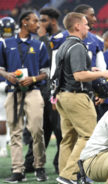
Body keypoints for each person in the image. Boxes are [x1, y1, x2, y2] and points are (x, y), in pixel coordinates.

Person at [54, 12, 108, 184]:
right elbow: (79, 75)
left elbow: (70, 72)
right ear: (77, 26)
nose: (88, 27)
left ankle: (64, 179)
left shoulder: (64, 45)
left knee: (68, 138)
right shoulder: (78, 46)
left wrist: (90, 69)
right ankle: (69, 176)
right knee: (88, 136)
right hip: (76, 96)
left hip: (63, 95)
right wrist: (101, 73)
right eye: (86, 24)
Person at [0, 11, 49, 182]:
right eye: (35, 21)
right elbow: (0, 68)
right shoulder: (6, 44)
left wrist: (33, 78)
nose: (38, 24)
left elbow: (46, 73)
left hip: (33, 90)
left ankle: (39, 166)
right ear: (24, 23)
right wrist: (7, 76)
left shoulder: (39, 45)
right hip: (13, 91)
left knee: (37, 130)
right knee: (15, 132)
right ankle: (17, 170)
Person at [24, 7, 63, 174]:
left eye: (43, 20)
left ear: (53, 21)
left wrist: (41, 38)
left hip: (56, 93)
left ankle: (59, 164)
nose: (40, 24)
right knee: (40, 130)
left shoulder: (62, 39)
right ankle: (31, 163)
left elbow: (51, 62)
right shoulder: (46, 39)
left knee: (60, 131)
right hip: (43, 92)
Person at [0, 16, 16, 157]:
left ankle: (3, 148)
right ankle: (11, 141)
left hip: (1, 83)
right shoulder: (14, 43)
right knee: (17, 116)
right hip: (12, 81)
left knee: (2, 117)